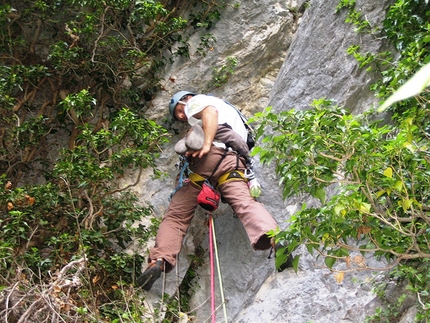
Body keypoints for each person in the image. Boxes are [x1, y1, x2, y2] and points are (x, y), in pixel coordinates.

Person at [136, 91, 292, 291]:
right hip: (234, 163)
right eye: (179, 116)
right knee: (245, 204)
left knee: (177, 215)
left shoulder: (200, 101)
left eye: (180, 110)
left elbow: (209, 112)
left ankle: (158, 260)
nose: (182, 116)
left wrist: (207, 143)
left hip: (208, 158)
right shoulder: (235, 114)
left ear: (187, 99)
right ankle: (275, 238)